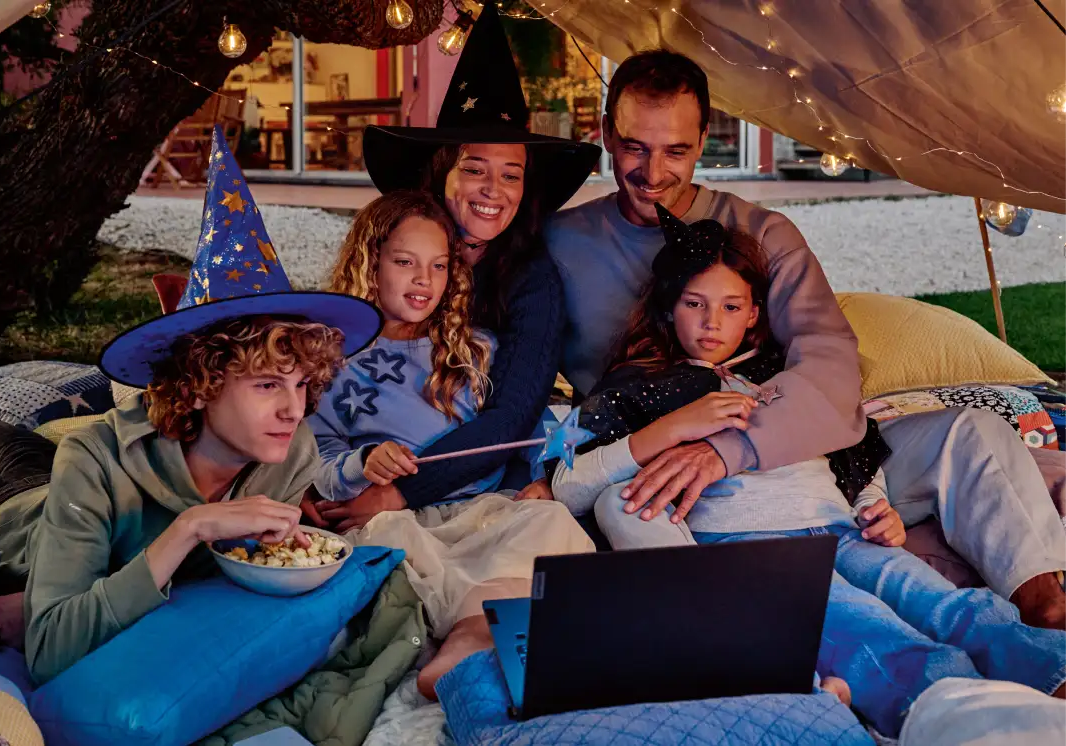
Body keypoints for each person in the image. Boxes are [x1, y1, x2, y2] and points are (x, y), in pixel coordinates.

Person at [545, 48, 1066, 629]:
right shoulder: (562, 243)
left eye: (676, 151)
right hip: (665, 473)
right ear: (607, 135)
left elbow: (830, 365)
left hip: (795, 453)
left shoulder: (763, 234)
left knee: (972, 432)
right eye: (635, 147)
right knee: (627, 512)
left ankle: (1045, 610)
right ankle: (723, 634)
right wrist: (543, 476)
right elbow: (516, 370)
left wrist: (726, 450)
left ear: (703, 139)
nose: (653, 171)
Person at [551, 208, 1066, 738]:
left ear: (753, 313)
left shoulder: (784, 377)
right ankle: (968, 723)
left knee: (951, 604)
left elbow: (849, 451)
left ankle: (1054, 678)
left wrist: (874, 505)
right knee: (870, 633)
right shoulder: (645, 384)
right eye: (694, 304)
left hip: (842, 532)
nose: (711, 323)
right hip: (757, 549)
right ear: (668, 308)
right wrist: (670, 430)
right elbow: (567, 480)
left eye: (730, 307)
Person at [0, 130, 381, 684]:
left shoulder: (292, 451)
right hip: (1, 522)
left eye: (302, 385)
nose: (292, 410)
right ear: (202, 384)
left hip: (52, 482)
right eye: (265, 386)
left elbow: (218, 576)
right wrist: (188, 527)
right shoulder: (93, 455)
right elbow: (50, 648)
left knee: (16, 446)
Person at [307, 191, 594, 700]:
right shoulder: (332, 363)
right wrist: (361, 462)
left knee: (551, 524)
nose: (424, 280)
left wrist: (542, 476)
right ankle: (478, 630)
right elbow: (319, 458)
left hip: (479, 510)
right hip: (397, 517)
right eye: (405, 262)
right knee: (383, 545)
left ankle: (471, 632)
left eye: (439, 265)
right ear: (369, 263)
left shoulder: (473, 348)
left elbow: (525, 427)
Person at [326, 1, 600, 527]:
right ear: (441, 170)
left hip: (465, 474)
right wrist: (332, 472)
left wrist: (399, 494)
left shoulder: (530, 280)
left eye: (512, 175)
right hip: (365, 454)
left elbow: (513, 415)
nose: (493, 191)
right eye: (475, 169)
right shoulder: (394, 245)